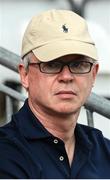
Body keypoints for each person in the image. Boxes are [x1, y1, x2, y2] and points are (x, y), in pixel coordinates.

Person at [0, 9, 110, 179]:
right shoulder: (6, 153)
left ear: (93, 74)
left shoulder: (103, 149)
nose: (66, 77)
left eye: (79, 65)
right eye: (51, 64)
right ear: (25, 75)